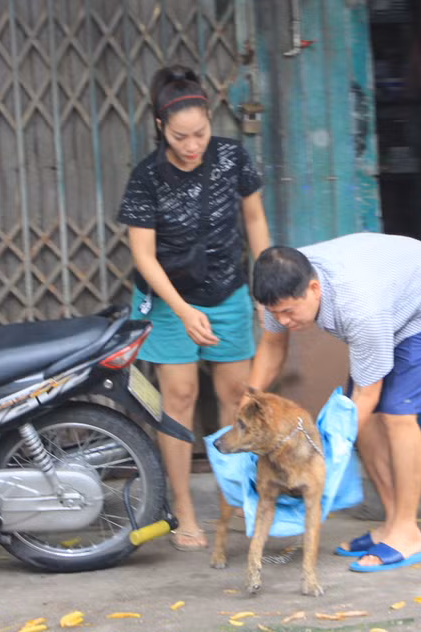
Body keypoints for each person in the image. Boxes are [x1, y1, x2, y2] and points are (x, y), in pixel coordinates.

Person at [246, 233, 421, 573]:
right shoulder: (277, 291)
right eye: (278, 313)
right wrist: (248, 404)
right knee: (357, 416)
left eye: (290, 312)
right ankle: (391, 525)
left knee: (396, 414)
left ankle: (407, 533)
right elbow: (273, 349)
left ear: (314, 289)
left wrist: (317, 458)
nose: (285, 321)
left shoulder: (359, 306)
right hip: (392, 295)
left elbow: (368, 396)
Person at [117, 65, 270, 552]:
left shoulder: (232, 158)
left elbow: (255, 220)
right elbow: (143, 254)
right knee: (178, 398)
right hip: (168, 299)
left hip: (227, 292)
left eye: (200, 133)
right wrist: (181, 310)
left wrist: (265, 287)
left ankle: (236, 501)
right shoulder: (146, 177)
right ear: (161, 127)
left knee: (236, 399)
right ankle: (182, 509)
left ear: (209, 122)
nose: (192, 145)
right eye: (181, 136)